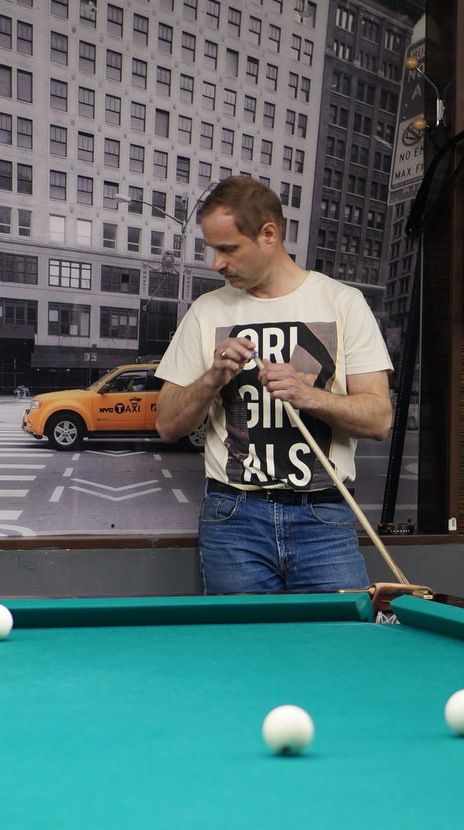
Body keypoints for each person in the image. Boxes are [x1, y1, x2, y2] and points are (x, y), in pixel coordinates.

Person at [155, 177, 392, 593]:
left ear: (268, 234)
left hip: (323, 515)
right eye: (213, 249)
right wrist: (212, 379)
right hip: (234, 517)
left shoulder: (342, 302)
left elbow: (379, 420)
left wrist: (307, 395)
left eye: (228, 248)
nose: (216, 264)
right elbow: (167, 425)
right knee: (244, 638)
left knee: (341, 634)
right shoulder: (205, 311)